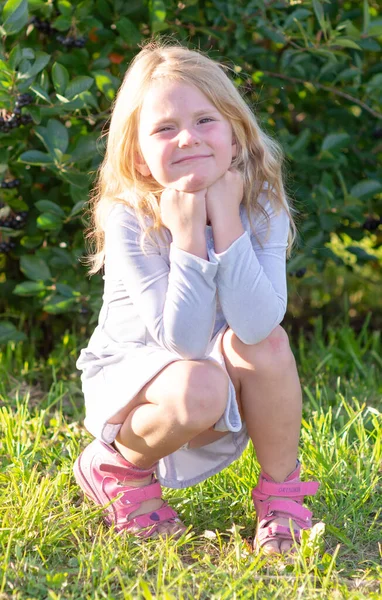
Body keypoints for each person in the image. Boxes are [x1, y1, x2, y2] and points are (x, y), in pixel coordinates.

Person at [73, 39, 319, 555]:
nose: (188, 138)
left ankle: (281, 497)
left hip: (208, 373)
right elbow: (181, 342)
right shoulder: (129, 217)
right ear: (139, 158)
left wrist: (226, 221)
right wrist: (186, 236)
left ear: (236, 134)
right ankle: (118, 467)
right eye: (164, 128)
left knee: (269, 345)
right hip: (140, 386)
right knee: (200, 383)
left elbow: (255, 326)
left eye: (206, 120)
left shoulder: (262, 205)